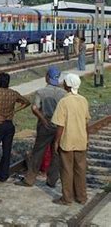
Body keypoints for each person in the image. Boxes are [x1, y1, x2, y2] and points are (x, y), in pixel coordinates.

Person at [15, 66, 66, 188]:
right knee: (56, 151)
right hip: (59, 125)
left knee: (38, 152)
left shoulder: (41, 92)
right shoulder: (64, 94)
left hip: (45, 124)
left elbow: (35, 108)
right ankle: (52, 180)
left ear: (47, 77)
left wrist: (42, 119)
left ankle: (30, 179)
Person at [51, 73, 90, 205]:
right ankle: (81, 197)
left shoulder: (64, 102)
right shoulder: (83, 100)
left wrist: (56, 142)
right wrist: (87, 138)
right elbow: (86, 123)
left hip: (67, 140)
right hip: (81, 139)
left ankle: (67, 198)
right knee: (80, 169)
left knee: (67, 170)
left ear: (66, 86)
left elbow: (60, 125)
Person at [0, 73, 30, 181]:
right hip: (9, 124)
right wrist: (14, 111)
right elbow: (26, 102)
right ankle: (3, 175)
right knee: (7, 150)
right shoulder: (13, 93)